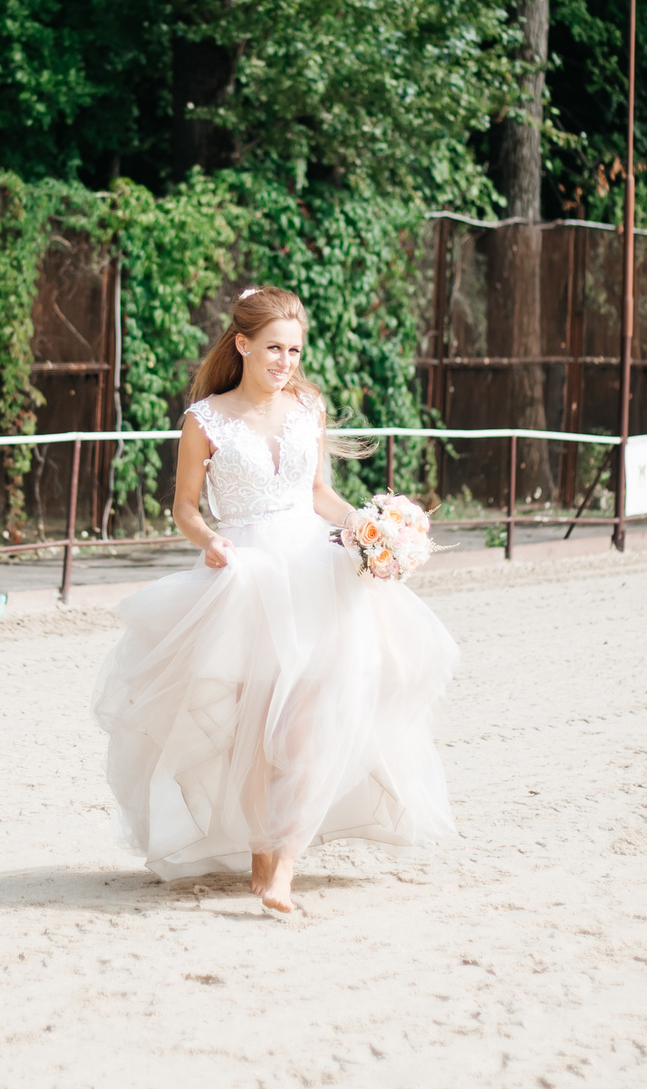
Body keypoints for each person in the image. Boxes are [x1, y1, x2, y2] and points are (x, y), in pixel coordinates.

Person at [92, 285, 459, 913]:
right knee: (252, 729)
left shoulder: (307, 409)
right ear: (243, 344)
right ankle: (262, 863)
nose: (285, 361)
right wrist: (207, 540)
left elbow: (318, 493)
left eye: (294, 349)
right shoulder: (203, 420)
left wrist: (372, 527)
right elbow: (183, 507)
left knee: (312, 723)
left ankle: (284, 864)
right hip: (244, 577)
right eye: (273, 348)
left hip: (316, 572)